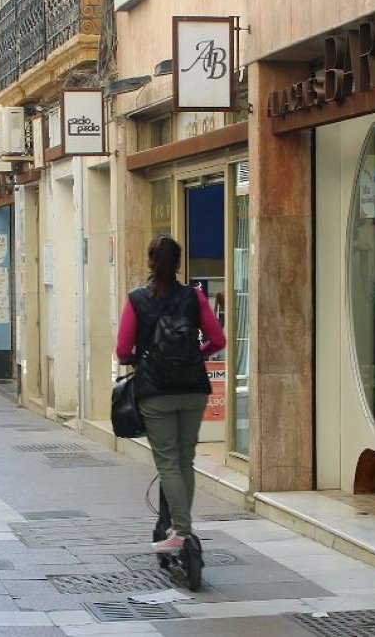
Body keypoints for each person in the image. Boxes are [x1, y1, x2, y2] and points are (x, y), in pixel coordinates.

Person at [115, 237, 226, 553]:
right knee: (185, 459)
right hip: (193, 388)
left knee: (168, 463)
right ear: (178, 263)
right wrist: (197, 353)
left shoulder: (137, 299)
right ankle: (181, 525)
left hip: (156, 391)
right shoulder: (195, 297)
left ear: (150, 262)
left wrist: (135, 357)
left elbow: (123, 349)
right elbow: (218, 339)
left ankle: (181, 531)